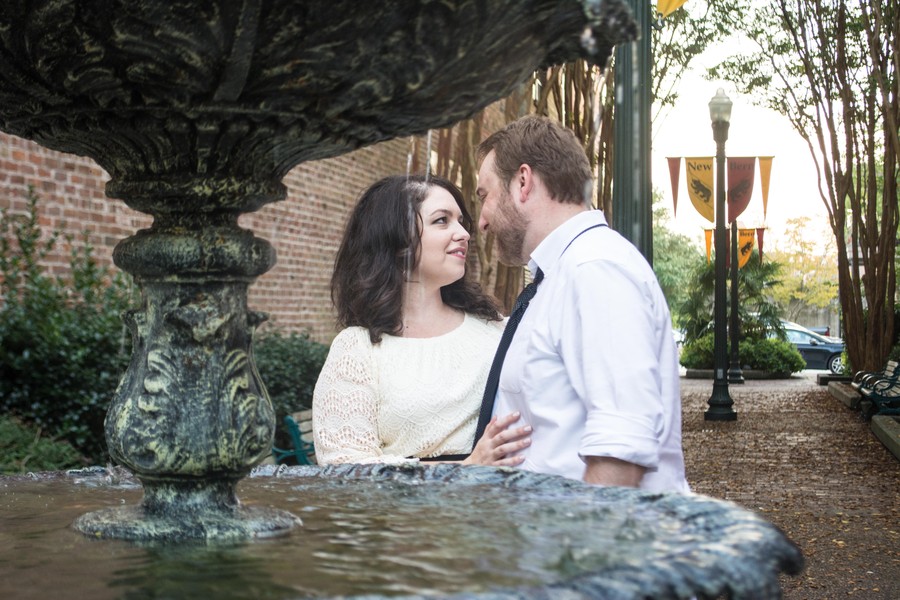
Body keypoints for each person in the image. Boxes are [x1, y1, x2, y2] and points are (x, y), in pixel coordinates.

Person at [474, 115, 689, 493]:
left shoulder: (594, 270)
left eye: (484, 195)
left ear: (523, 183)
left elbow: (620, 450)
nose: (482, 220)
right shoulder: (562, 274)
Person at [312, 174, 531, 466]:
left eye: (461, 221)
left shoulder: (497, 330)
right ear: (397, 239)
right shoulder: (359, 350)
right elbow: (344, 468)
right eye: (442, 220)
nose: (464, 233)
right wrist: (464, 469)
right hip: (407, 512)